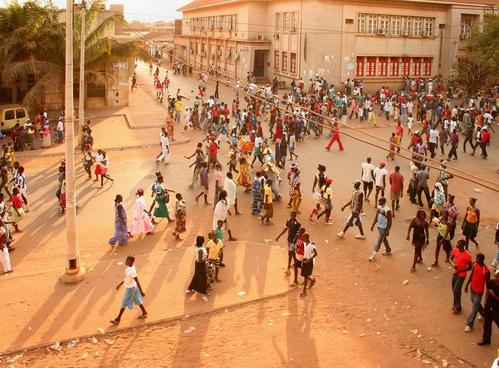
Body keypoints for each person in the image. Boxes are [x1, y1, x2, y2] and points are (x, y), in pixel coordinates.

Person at [110, 256, 148, 324]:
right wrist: (120, 284)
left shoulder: (132, 271)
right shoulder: (129, 268)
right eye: (126, 260)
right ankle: (144, 313)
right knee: (137, 300)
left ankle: (118, 319)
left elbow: (137, 281)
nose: (126, 261)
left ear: (131, 262)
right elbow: (126, 278)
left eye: (127, 261)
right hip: (133, 287)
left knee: (124, 303)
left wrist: (141, 291)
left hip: (131, 288)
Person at [464, 253, 490, 332]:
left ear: (482, 260)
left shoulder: (486, 271)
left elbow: (488, 285)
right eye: (476, 258)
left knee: (475, 307)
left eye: (478, 259)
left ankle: (469, 324)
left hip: (479, 291)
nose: (477, 260)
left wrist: (487, 296)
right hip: (472, 288)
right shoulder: (475, 264)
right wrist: (467, 285)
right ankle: (484, 314)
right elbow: (471, 275)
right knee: (474, 302)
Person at [276, 211, 301, 279]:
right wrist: (279, 236)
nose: (292, 216)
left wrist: (296, 243)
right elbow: (286, 228)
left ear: (295, 216)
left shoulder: (298, 224)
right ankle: (291, 266)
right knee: (290, 253)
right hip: (289, 240)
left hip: (293, 241)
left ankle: (293, 266)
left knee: (291, 254)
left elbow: (298, 235)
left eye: (293, 215)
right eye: (291, 215)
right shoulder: (288, 220)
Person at [450, 239, 472, 314]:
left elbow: (470, 267)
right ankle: (455, 304)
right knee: (454, 289)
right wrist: (453, 264)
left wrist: (461, 270)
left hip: (461, 275)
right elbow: (451, 258)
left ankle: (458, 307)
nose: (456, 244)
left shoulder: (467, 255)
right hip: (455, 273)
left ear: (462, 245)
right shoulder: (455, 250)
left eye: (458, 243)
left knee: (456, 290)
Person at [478, 269, 499, 346]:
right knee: (486, 324)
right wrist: (485, 303)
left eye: (498, 277)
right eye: (496, 277)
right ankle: (486, 339)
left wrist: (493, 295)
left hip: (497, 309)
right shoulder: (490, 282)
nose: (497, 279)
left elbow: (491, 293)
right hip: (489, 307)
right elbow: (487, 292)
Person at [368, 197, 392, 262]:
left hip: (384, 228)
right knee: (383, 238)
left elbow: (390, 221)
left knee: (379, 240)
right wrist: (373, 224)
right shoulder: (379, 207)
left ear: (383, 202)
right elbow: (376, 216)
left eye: (380, 201)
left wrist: (387, 231)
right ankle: (388, 250)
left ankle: (373, 255)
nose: (378, 202)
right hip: (379, 226)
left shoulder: (388, 210)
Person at [186, 236, 209, 301]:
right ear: (203, 241)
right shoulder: (201, 250)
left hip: (198, 264)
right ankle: (203, 292)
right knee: (204, 278)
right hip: (200, 265)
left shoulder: (197, 246)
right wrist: (207, 259)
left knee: (196, 276)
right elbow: (200, 260)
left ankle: (190, 288)